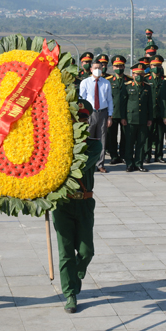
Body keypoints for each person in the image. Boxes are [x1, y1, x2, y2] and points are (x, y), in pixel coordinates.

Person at [53, 99, 101, 313]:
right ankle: (70, 294)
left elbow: (79, 164)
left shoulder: (94, 144)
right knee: (65, 253)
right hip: (62, 203)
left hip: (84, 203)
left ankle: (77, 273)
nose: (79, 121)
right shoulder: (57, 144)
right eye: (75, 118)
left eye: (83, 118)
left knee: (86, 251)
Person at [79, 54, 113, 173]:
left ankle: (100, 164)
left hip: (103, 113)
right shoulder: (85, 82)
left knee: (102, 139)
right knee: (88, 138)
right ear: (91, 69)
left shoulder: (106, 83)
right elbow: (82, 100)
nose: (98, 70)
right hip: (90, 114)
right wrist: (83, 116)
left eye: (100, 67)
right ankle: (88, 164)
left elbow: (109, 100)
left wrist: (110, 116)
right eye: (95, 68)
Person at [121, 62, 154, 172]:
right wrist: (123, 118)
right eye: (136, 74)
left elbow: (150, 104)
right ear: (133, 74)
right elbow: (123, 103)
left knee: (141, 142)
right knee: (129, 142)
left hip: (143, 119)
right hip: (130, 119)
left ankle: (139, 163)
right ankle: (129, 164)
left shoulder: (147, 87)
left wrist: (150, 118)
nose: (139, 76)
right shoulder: (127, 86)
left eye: (141, 74)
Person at [104, 55, 131, 166]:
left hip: (126, 114)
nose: (118, 68)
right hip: (112, 113)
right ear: (113, 67)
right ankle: (114, 156)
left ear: (124, 66)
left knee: (125, 136)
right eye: (116, 66)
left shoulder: (129, 80)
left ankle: (124, 155)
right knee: (111, 136)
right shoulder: (108, 81)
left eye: (120, 66)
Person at [145, 55, 165, 163]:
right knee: (148, 135)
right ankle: (147, 155)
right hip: (149, 112)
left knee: (160, 135)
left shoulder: (165, 80)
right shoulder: (146, 79)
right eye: (153, 65)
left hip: (161, 112)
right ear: (150, 66)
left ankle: (159, 155)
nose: (156, 67)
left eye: (158, 65)